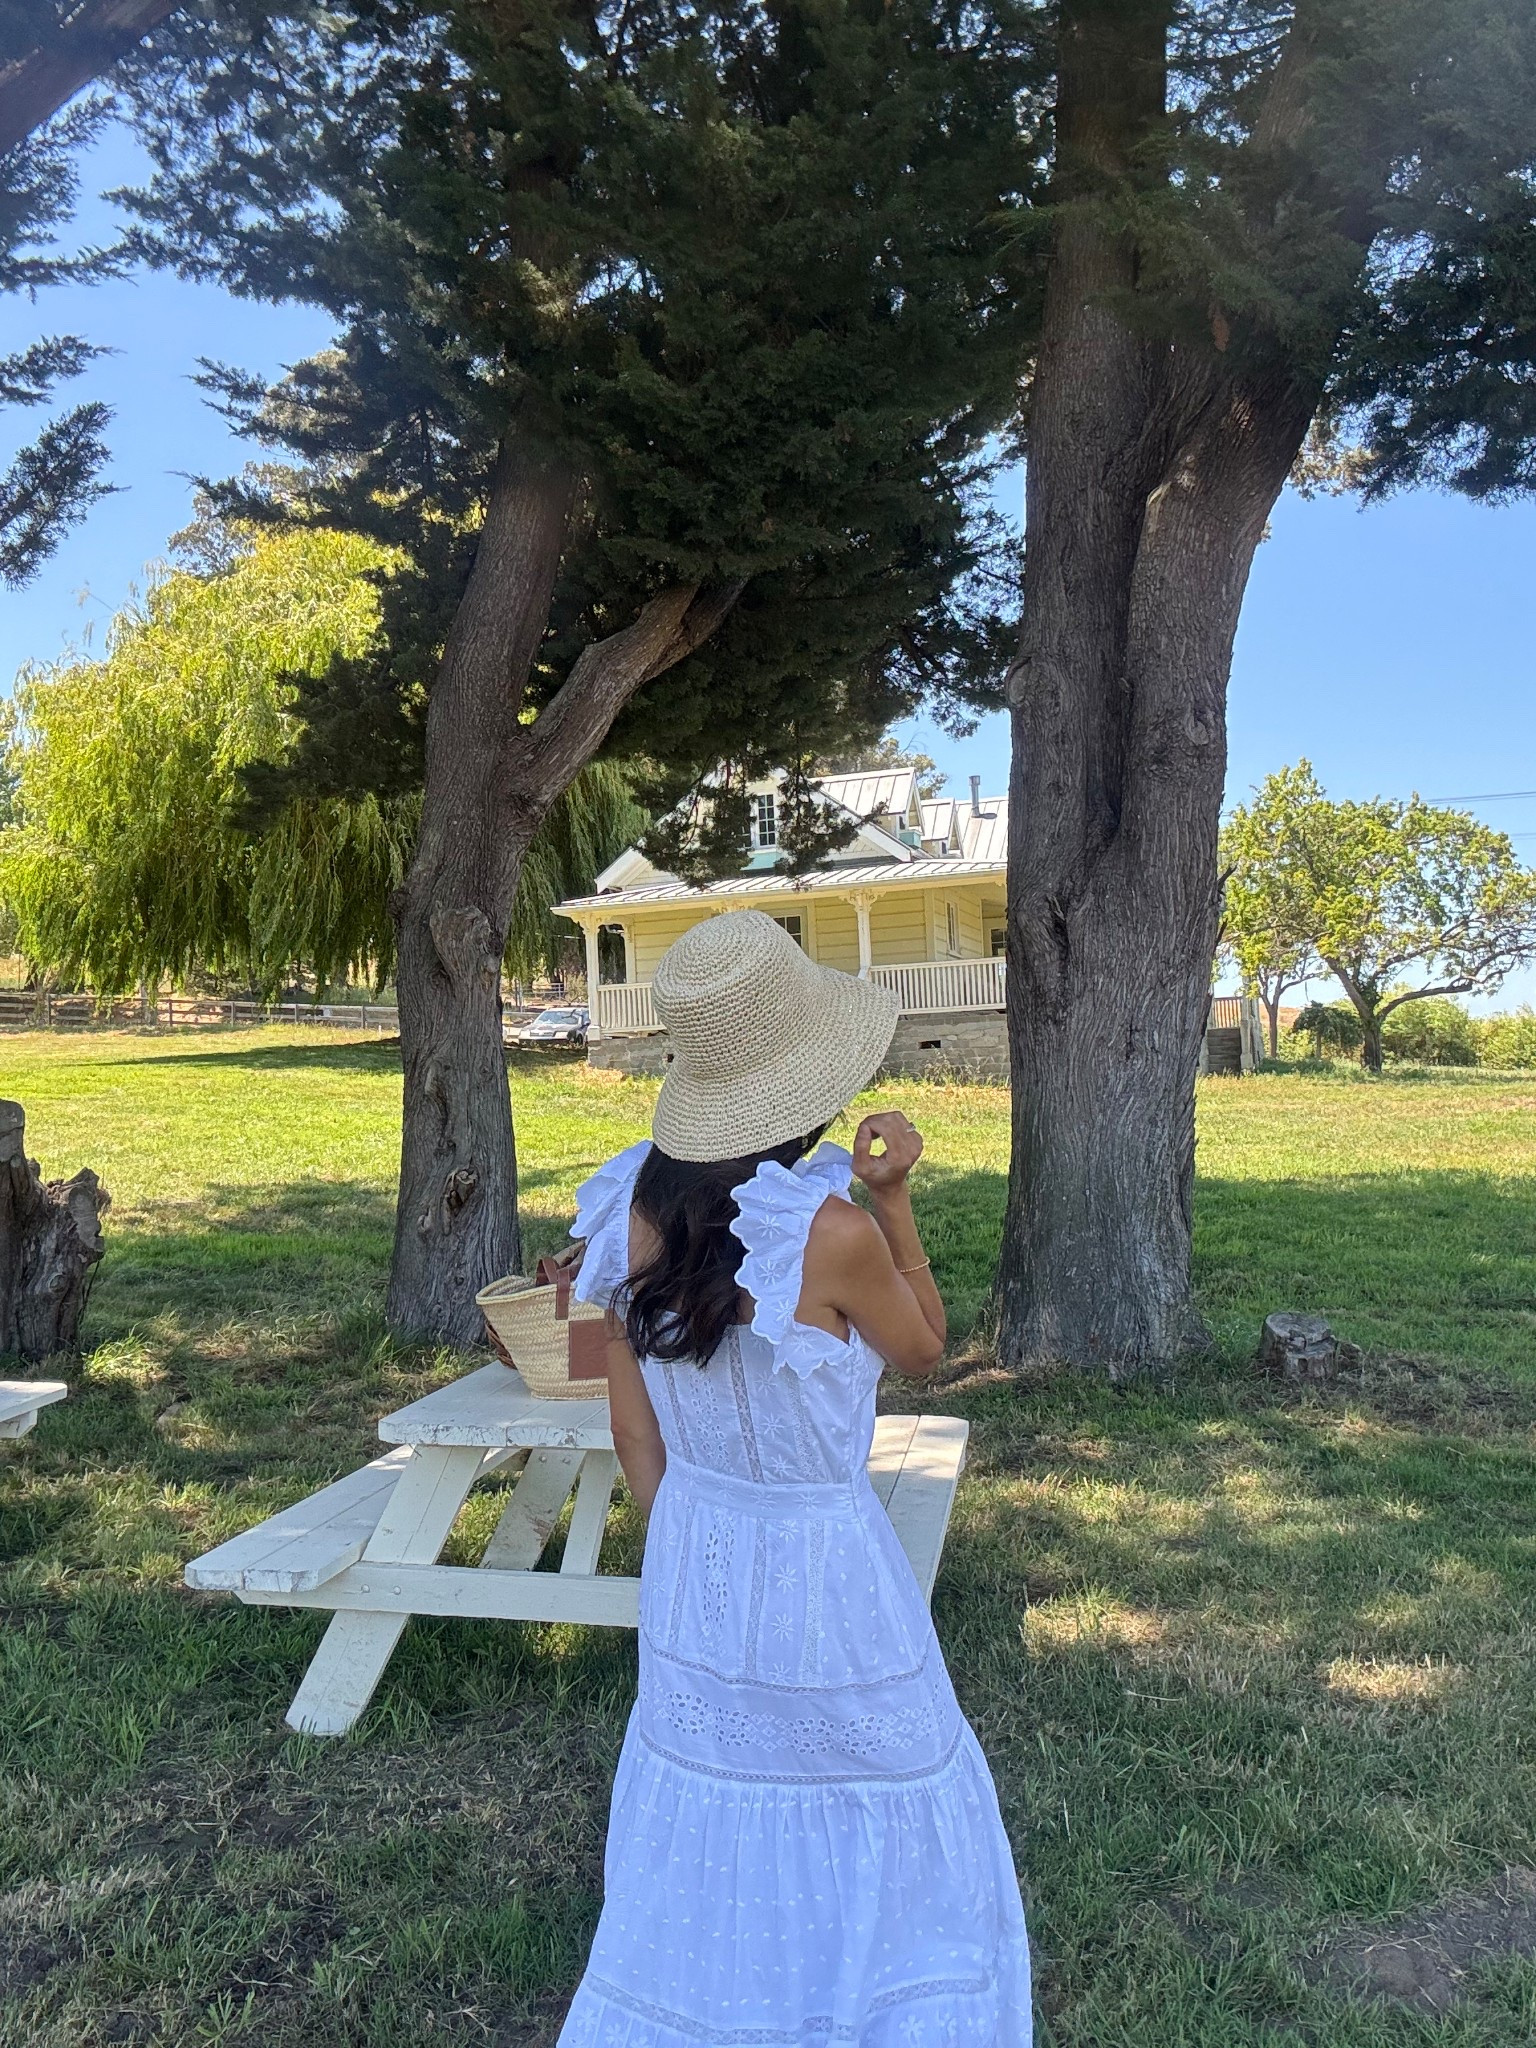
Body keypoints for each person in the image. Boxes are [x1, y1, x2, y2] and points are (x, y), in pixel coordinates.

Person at [556, 909, 1031, 2046]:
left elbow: (622, 1416)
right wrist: (896, 1199)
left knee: (711, 1780)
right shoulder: (831, 1228)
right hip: (824, 1553)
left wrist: (686, 1536)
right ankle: (857, 1982)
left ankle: (716, 1994)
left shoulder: (625, 1203)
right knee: (877, 1770)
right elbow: (927, 1349)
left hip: (696, 1543)